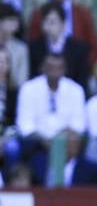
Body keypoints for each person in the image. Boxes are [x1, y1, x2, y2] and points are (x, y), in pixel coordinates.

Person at [15, 51, 85, 185]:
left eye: (58, 67)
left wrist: (59, 141)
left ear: (64, 69)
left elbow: (79, 124)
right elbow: (24, 124)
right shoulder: (28, 88)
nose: (54, 71)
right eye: (50, 67)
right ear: (42, 68)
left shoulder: (76, 90)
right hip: (37, 144)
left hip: (67, 144)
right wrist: (46, 141)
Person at [26, 0, 97, 61]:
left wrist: (83, 66)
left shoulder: (83, 14)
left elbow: (94, 46)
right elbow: (32, 44)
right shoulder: (38, 14)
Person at [27, 0, 88, 88]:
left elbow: (82, 81)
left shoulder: (79, 48)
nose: (47, 26)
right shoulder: (34, 47)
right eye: (45, 22)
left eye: (52, 22)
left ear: (63, 24)